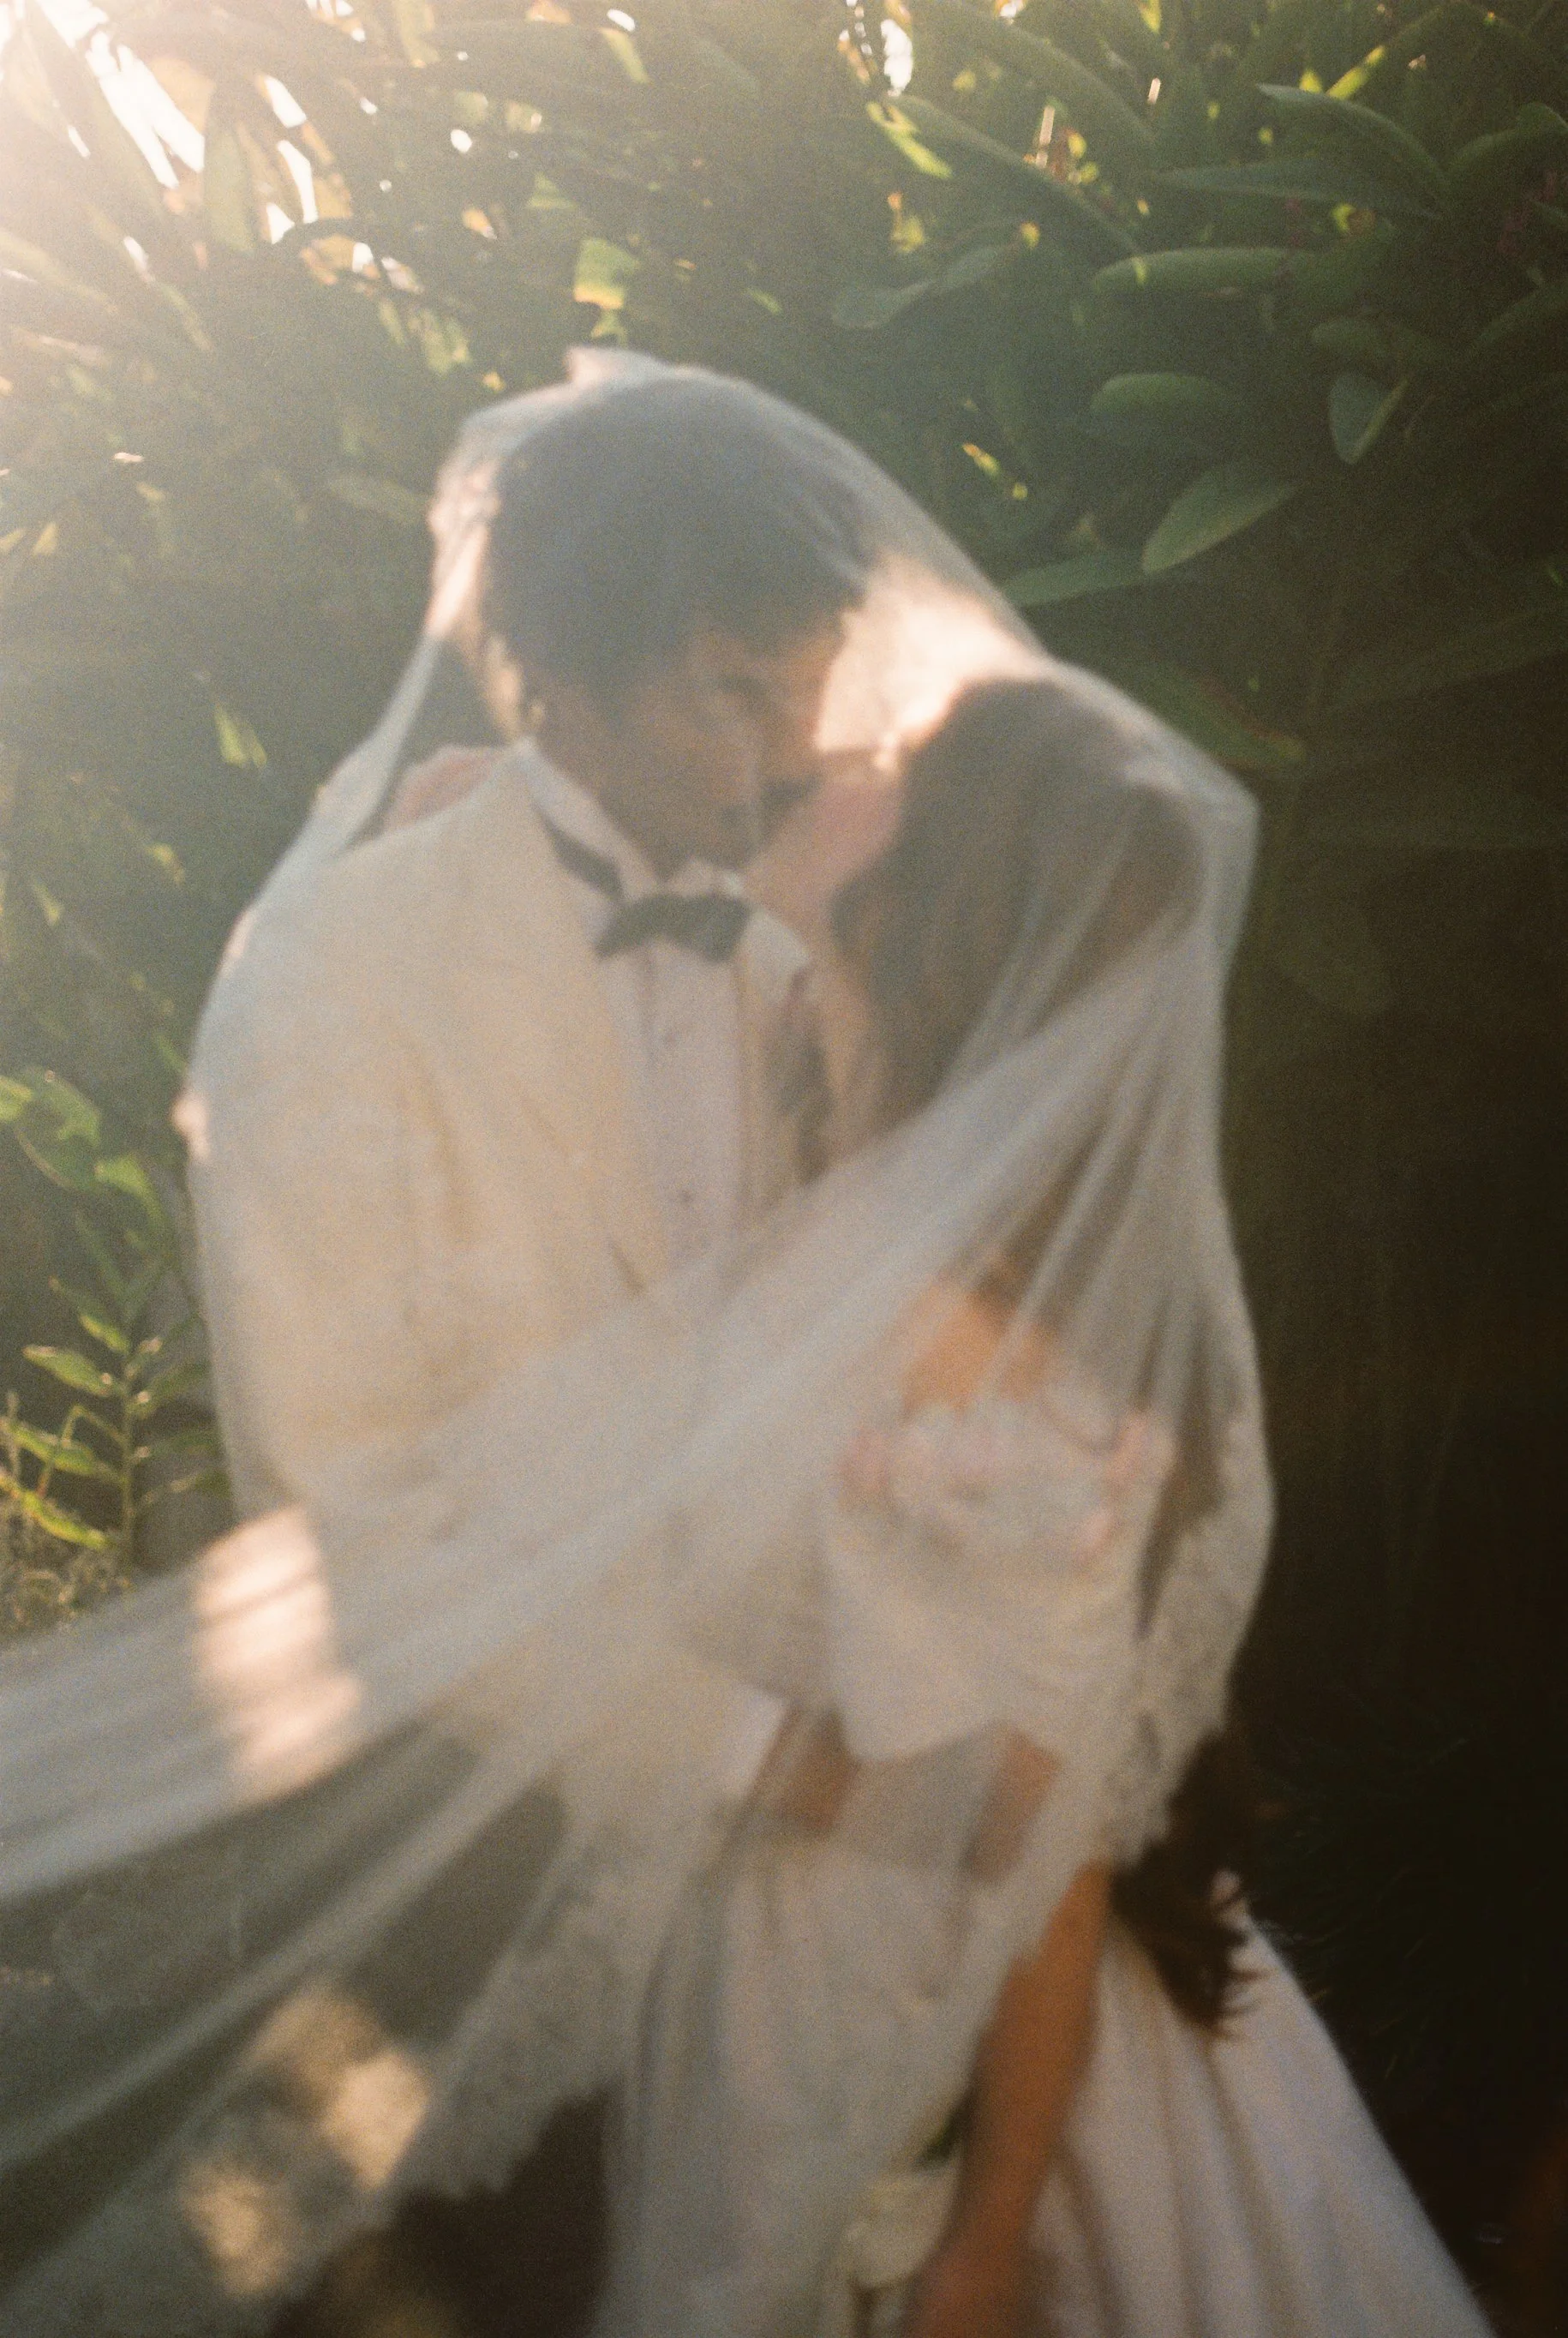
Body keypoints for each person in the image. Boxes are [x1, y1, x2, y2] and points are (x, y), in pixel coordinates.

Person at [0, 359, 1483, 2338]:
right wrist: (789, 1762)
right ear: (552, 677)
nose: (787, 747)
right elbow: (367, 1527)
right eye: (727, 689)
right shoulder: (334, 997)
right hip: (489, 1875)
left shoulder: (842, 938)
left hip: (894, 1908)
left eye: (808, 681)